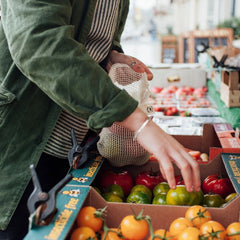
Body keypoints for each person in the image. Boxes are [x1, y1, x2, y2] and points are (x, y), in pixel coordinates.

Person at [0, 0, 200, 239]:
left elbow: (90, 32)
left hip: (73, 141)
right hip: (20, 139)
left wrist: (110, 55)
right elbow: (38, 41)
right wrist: (136, 119)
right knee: (15, 228)